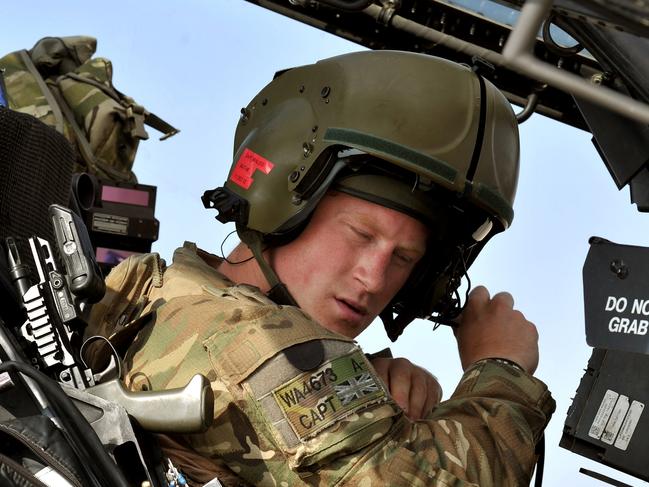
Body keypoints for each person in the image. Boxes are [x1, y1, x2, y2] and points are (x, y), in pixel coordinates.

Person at [87, 50, 555, 486]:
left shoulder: (172, 298)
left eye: (404, 258)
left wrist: (364, 383)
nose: (373, 279)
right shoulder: (249, 345)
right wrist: (500, 367)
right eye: (360, 235)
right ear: (278, 202)